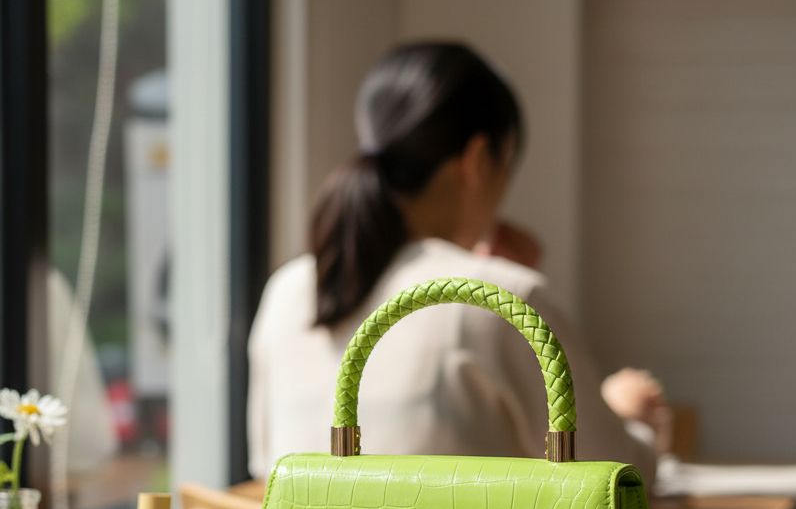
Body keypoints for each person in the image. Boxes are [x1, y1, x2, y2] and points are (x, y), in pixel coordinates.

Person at [248, 41, 665, 481]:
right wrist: (630, 417)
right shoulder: (502, 299)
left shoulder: (286, 291)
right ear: (477, 160)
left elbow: (266, 470)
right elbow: (618, 481)